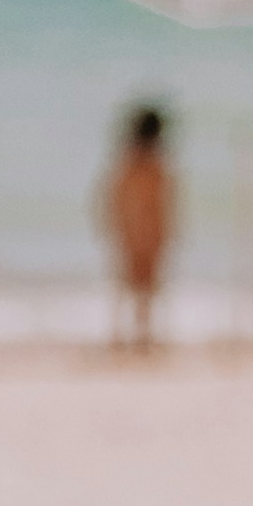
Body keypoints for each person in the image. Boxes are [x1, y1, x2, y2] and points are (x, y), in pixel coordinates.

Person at [95, 101, 177, 353]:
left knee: (127, 285)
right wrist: (167, 231)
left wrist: (113, 226)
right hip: (148, 231)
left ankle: (125, 335)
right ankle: (141, 335)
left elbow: (112, 198)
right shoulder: (155, 164)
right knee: (146, 288)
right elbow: (164, 203)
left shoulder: (127, 161)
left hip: (130, 230)